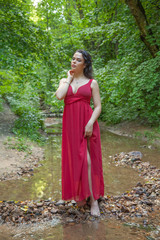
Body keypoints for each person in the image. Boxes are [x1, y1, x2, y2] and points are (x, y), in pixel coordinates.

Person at [56, 49, 104, 216]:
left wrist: (91, 123)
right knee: (75, 160)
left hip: (86, 125)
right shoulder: (64, 81)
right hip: (70, 126)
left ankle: (94, 202)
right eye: (73, 59)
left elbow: (98, 106)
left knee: (89, 161)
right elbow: (60, 96)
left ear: (85, 64)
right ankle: (80, 195)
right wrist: (69, 78)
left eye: (78, 60)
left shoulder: (92, 83)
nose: (73, 62)